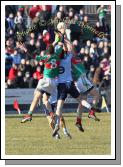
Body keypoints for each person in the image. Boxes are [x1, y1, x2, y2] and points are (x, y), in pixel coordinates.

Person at [21, 44, 62, 123]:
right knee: (45, 100)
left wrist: (25, 49)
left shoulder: (46, 58)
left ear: (47, 51)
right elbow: (60, 46)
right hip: (54, 82)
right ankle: (51, 113)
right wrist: (59, 39)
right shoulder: (57, 56)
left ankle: (29, 114)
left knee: (36, 96)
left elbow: (33, 56)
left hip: (46, 80)